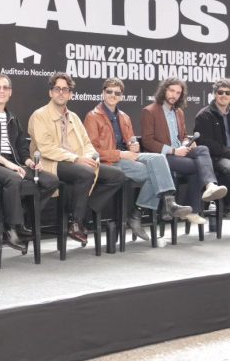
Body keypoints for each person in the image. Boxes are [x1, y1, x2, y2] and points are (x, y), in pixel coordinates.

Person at [84, 78, 192, 241]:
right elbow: (92, 151)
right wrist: (121, 154)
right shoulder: (93, 116)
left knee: (158, 158)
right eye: (109, 92)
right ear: (103, 93)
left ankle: (168, 202)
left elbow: (131, 141)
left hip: (128, 157)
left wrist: (133, 145)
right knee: (153, 174)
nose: (113, 95)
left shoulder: (124, 117)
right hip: (109, 161)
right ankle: (138, 213)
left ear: (121, 96)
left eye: (117, 93)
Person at [28, 72, 124, 244]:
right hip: (52, 163)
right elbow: (46, 149)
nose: (61, 93)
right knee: (86, 173)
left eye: (65, 89)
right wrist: (76, 159)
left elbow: (87, 144)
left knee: (117, 176)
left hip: (77, 163)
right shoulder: (39, 115)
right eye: (57, 89)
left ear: (71, 94)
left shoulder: (74, 117)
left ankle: (82, 210)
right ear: (50, 92)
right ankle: (75, 222)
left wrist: (90, 157)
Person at [0, 73, 59, 252]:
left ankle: (22, 215)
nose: (1, 91)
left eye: (5, 88)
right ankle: (12, 229)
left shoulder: (13, 118)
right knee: (14, 178)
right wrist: (8, 164)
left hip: (14, 164)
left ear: (10, 92)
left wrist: (29, 162)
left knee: (51, 181)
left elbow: (21, 146)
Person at [141, 77, 227, 224]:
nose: (174, 95)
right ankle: (193, 210)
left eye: (178, 93)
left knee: (202, 149)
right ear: (164, 90)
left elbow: (183, 136)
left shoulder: (179, 112)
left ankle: (210, 185)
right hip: (162, 157)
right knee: (197, 166)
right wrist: (173, 151)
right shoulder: (149, 111)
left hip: (180, 153)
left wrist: (187, 142)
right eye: (171, 91)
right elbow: (147, 141)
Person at [194, 78, 230, 218]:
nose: (224, 95)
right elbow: (206, 143)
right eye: (220, 92)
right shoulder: (204, 115)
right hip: (213, 158)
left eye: (227, 93)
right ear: (215, 94)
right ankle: (227, 207)